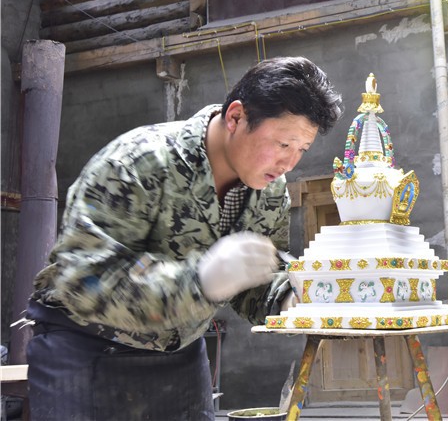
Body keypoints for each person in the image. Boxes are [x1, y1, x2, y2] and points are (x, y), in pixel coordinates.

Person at [25, 56, 343, 420]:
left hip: (181, 353)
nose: (289, 163)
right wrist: (200, 281)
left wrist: (290, 297)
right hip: (87, 348)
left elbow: (254, 277)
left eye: (302, 150)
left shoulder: (270, 191)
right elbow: (83, 279)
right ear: (236, 117)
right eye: (283, 144)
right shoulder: (138, 161)